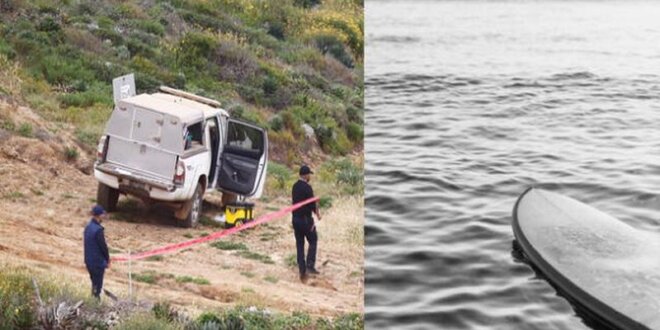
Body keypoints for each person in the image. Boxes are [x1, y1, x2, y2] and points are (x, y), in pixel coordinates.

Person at [291, 165, 322, 282]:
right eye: (309, 174)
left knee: (300, 244)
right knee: (313, 240)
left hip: (295, 219)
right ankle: (310, 266)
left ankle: (302, 270)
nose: (310, 176)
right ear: (305, 175)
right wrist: (318, 214)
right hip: (305, 220)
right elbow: (312, 205)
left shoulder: (294, 186)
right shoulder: (307, 188)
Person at [84, 205, 110, 299]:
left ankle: (93, 301)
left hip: (89, 261)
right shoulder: (98, 230)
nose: (104, 216)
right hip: (97, 263)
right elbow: (103, 247)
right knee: (97, 287)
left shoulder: (88, 227)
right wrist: (107, 260)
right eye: (103, 214)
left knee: (94, 284)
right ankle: (95, 304)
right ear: (98, 215)